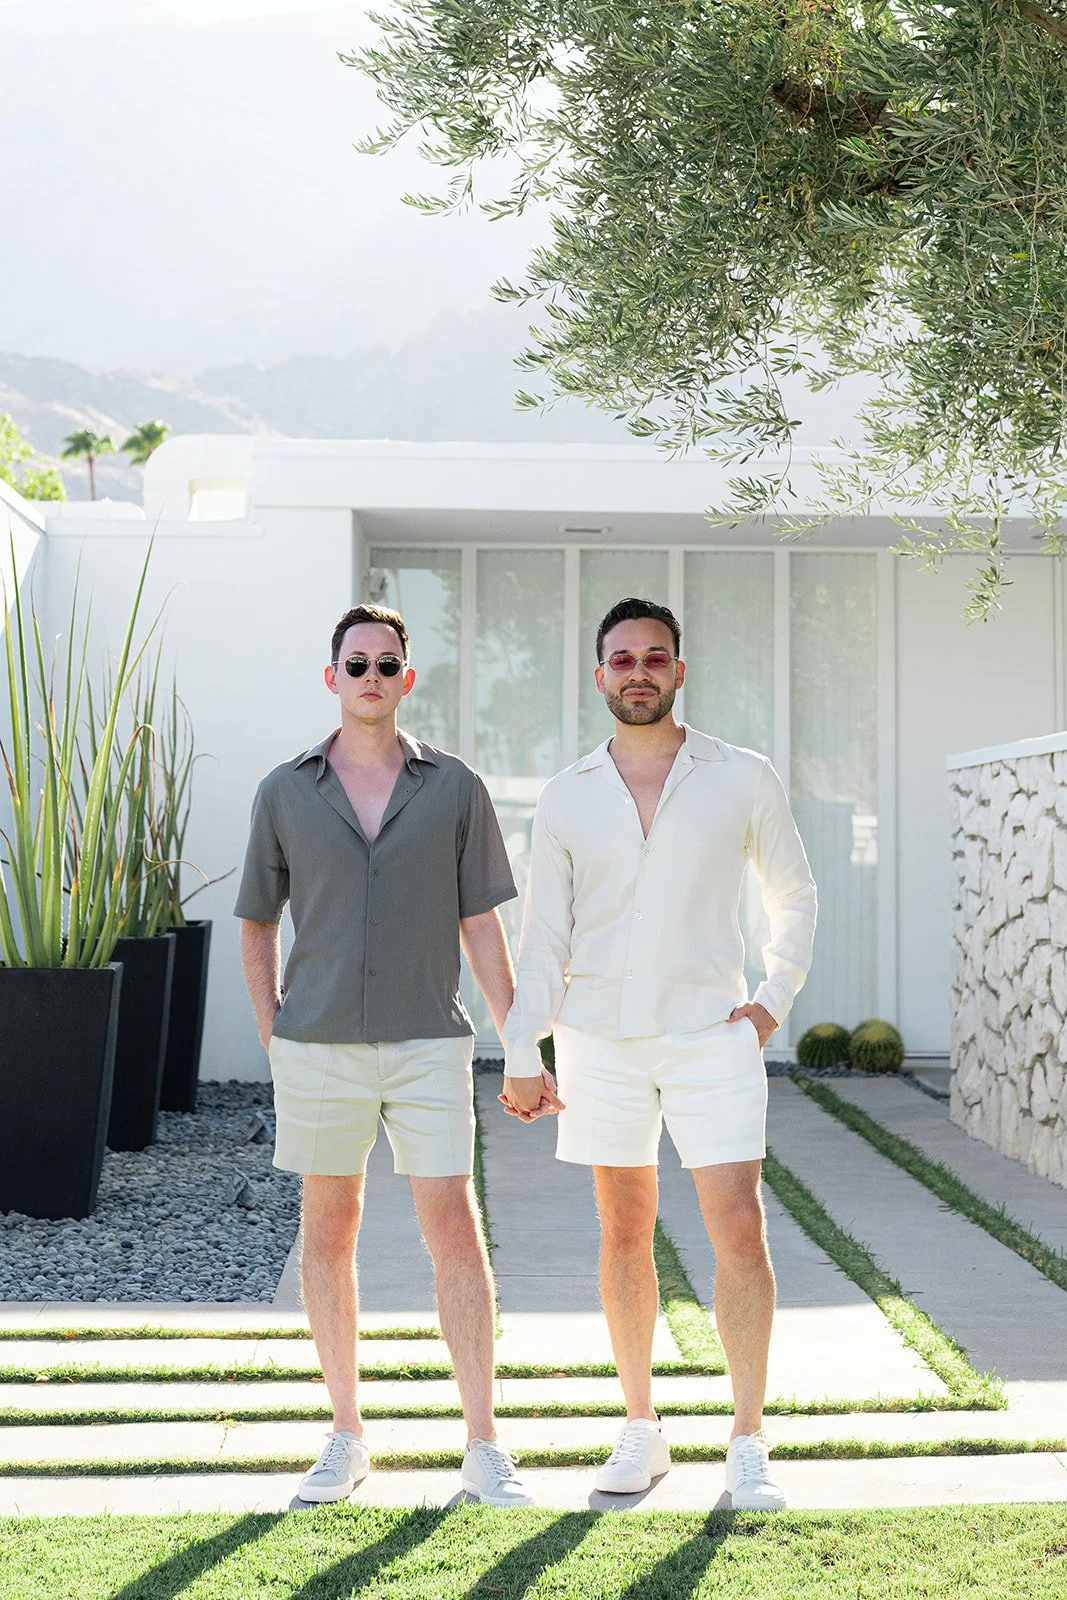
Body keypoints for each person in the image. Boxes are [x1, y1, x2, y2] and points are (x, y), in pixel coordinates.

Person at [500, 596, 817, 1510]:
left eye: (654, 656)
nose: (637, 670)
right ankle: (640, 1427)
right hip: (598, 1039)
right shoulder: (566, 795)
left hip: (710, 1037)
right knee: (622, 1229)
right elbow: (543, 937)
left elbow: (793, 896)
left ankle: (748, 1440)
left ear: (678, 671)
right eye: (621, 658)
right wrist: (525, 1047)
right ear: (599, 676)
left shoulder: (741, 776)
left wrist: (768, 1003)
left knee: (738, 1230)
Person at [235, 602, 533, 1508]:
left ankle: (483, 1443)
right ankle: (345, 1436)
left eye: (387, 664)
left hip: (426, 1043)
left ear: (408, 678)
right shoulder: (285, 791)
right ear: (333, 679)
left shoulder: (453, 788)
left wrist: (519, 1042)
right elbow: (256, 920)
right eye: (356, 664)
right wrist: (271, 1031)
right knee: (327, 1233)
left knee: (453, 1227)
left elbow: (480, 922)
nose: (371, 677)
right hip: (317, 1043)